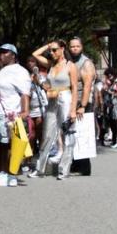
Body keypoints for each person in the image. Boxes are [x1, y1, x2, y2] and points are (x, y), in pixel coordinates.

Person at [29, 40, 78, 179]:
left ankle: (64, 169)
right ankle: (40, 169)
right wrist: (48, 45)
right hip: (52, 98)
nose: (52, 53)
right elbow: (35, 54)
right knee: (47, 133)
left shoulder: (70, 66)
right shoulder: (50, 64)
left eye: (55, 50)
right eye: (51, 51)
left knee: (68, 133)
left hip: (65, 98)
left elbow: (74, 88)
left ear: (63, 49)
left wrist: (73, 109)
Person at [0, 44, 31, 186]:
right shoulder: (0, 71)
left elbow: (25, 93)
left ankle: (11, 173)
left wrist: (24, 111)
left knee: (8, 143)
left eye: (5, 52)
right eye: (0, 53)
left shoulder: (20, 71)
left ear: (13, 55)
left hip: (9, 114)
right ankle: (2, 171)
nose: (1, 55)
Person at [68, 37, 96, 176]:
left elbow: (87, 86)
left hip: (83, 103)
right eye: (72, 46)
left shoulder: (86, 63)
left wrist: (83, 106)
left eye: (77, 46)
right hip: (72, 102)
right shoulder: (70, 62)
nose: (74, 49)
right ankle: (75, 164)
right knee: (73, 134)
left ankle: (84, 167)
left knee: (83, 134)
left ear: (82, 47)